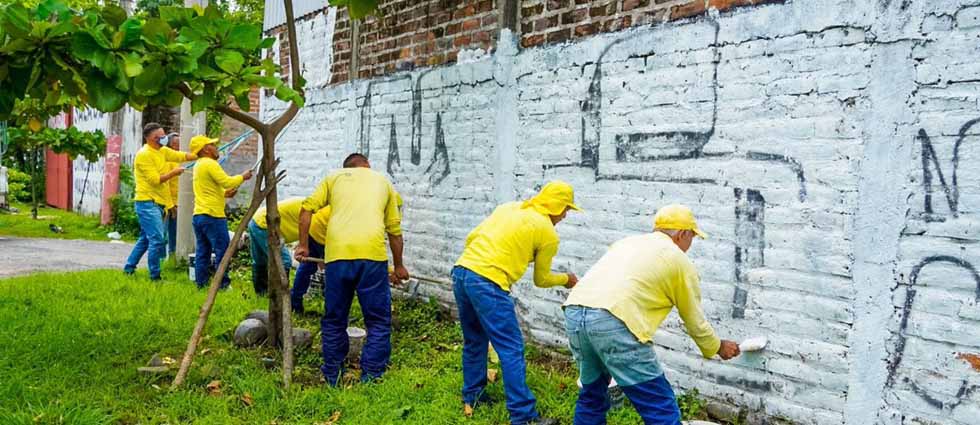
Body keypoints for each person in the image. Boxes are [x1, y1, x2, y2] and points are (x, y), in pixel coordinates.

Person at [563, 204, 741, 425]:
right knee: (659, 406)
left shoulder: (627, 243)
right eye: (692, 237)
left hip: (575, 312)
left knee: (592, 395)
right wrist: (717, 346)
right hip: (613, 320)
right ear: (682, 234)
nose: (690, 243)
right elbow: (694, 320)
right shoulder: (677, 259)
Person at [452, 181, 581, 425]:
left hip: (462, 270)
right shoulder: (548, 233)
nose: (565, 215)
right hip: (488, 282)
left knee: (474, 340)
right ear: (556, 206)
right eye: (565, 209)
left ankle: (473, 396)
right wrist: (567, 279)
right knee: (510, 348)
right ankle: (524, 416)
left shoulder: (510, 207)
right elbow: (542, 280)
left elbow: (472, 238)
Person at [294, 153, 408, 386]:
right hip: (372, 257)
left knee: (335, 319)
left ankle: (332, 375)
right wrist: (398, 266)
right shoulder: (382, 181)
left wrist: (303, 245)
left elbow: (306, 209)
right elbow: (394, 231)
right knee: (377, 321)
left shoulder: (333, 178)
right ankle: (371, 377)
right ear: (367, 165)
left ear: (347, 167)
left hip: (337, 257)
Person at [124, 123, 195, 281]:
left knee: (146, 239)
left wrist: (200, 155)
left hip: (158, 203)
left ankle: (129, 269)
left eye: (164, 135)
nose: (165, 139)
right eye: (161, 137)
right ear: (152, 138)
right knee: (157, 240)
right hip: (147, 203)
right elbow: (155, 180)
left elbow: (180, 156)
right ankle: (155, 276)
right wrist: (173, 173)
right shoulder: (144, 155)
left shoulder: (162, 151)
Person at [190, 135, 253, 289]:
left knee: (202, 251)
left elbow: (209, 189)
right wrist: (243, 177)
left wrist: (225, 194)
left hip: (199, 215)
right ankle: (223, 284)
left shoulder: (198, 165)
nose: (216, 148)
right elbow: (227, 182)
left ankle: (201, 284)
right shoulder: (210, 163)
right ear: (206, 149)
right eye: (213, 145)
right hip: (213, 216)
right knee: (223, 251)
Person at [249, 197, 304, 296]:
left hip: (257, 220)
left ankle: (261, 293)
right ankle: (280, 295)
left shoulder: (314, 206)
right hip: (265, 224)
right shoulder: (316, 211)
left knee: (260, 260)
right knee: (284, 260)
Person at [289, 205, 331, 314]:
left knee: (307, 266)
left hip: (314, 225)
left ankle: (295, 304)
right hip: (326, 230)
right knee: (336, 273)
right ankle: (334, 313)